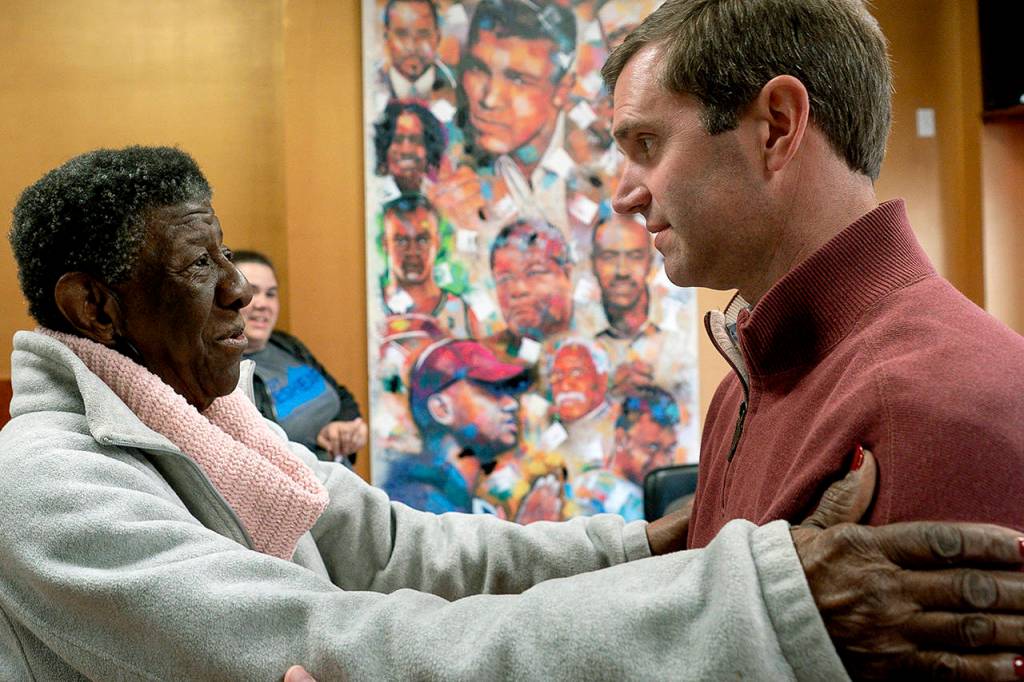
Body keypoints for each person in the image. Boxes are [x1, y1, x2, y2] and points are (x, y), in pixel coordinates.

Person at [5, 147, 1024, 681]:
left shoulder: (225, 423)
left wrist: (650, 546)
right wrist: (758, 600)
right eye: (198, 266)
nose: (241, 294)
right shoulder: (46, 489)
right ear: (93, 305)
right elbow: (348, 641)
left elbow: (408, 551)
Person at [603, 0, 1024, 577]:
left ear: (777, 126)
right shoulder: (744, 388)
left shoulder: (939, 408)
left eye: (646, 144)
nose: (624, 195)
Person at [436, 0, 578, 234]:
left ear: (562, 90)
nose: (489, 99)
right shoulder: (446, 158)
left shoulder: (600, 160)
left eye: (518, 79)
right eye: (478, 69)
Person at [233, 250, 367, 463]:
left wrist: (346, 428)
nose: (262, 304)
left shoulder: (287, 344)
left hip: (345, 483)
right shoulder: (224, 378)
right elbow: (261, 459)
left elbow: (342, 396)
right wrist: (322, 448)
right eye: (251, 292)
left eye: (270, 294)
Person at [385, 338, 528, 513]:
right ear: (442, 408)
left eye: (506, 391)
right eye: (490, 390)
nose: (511, 403)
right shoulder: (420, 501)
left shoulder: (464, 501)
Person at [571, 385, 681, 521]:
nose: (662, 462)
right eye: (652, 447)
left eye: (670, 449)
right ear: (621, 439)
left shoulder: (659, 494)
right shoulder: (589, 492)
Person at [379, 193, 479, 338]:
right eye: (401, 241)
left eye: (422, 240)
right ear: (385, 244)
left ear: (437, 243)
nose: (412, 251)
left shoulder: (461, 314)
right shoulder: (371, 309)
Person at [485, 218, 574, 362]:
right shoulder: (485, 361)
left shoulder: (602, 344)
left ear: (567, 275)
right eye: (504, 279)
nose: (517, 290)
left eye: (534, 272)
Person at [377, 0, 456, 103]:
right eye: (402, 34)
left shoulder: (459, 85)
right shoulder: (368, 84)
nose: (412, 47)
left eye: (423, 34)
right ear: (386, 37)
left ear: (438, 37)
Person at [373, 100, 447, 197]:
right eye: (397, 140)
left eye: (415, 139)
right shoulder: (373, 199)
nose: (406, 150)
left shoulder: (440, 198)